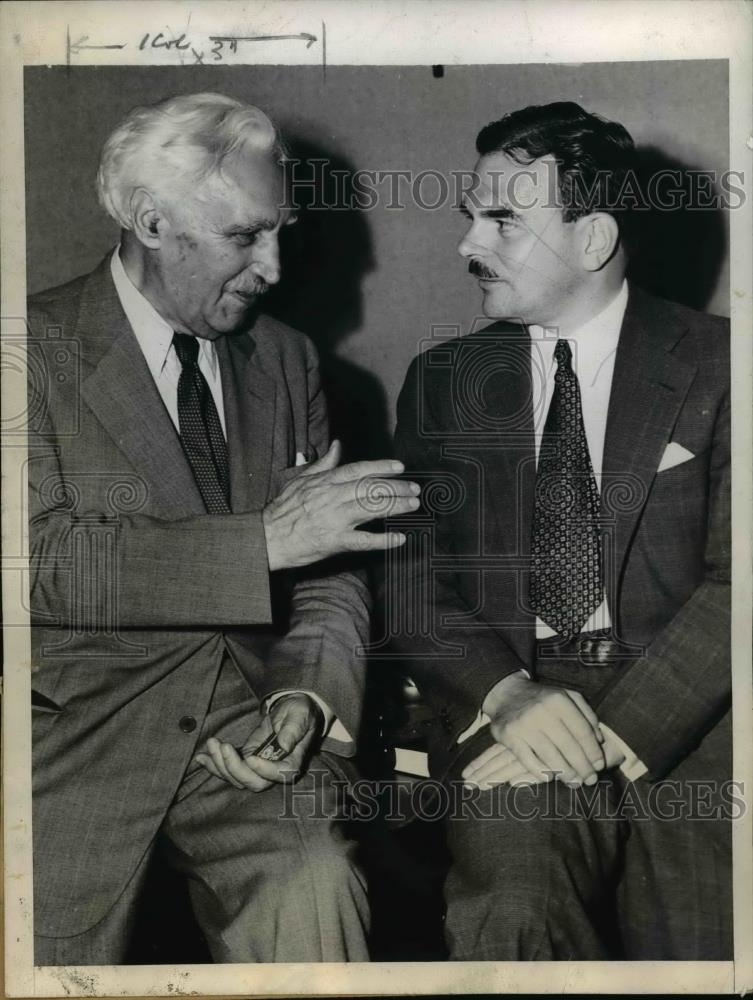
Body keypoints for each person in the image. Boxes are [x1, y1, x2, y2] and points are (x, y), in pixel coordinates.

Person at [27, 91, 419, 965]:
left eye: (279, 232)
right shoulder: (28, 353)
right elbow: (38, 562)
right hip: (76, 738)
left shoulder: (285, 358)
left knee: (317, 886)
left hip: (253, 732)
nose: (272, 267)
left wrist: (304, 696)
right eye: (245, 236)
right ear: (150, 220)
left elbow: (330, 571)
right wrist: (263, 543)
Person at [385, 102, 731, 959]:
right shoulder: (442, 381)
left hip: (697, 720)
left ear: (592, 238)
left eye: (502, 219)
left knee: (708, 947)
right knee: (513, 914)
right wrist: (505, 695)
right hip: (513, 705)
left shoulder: (728, 365)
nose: (467, 244)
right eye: (469, 215)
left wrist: (608, 737)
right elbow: (410, 577)